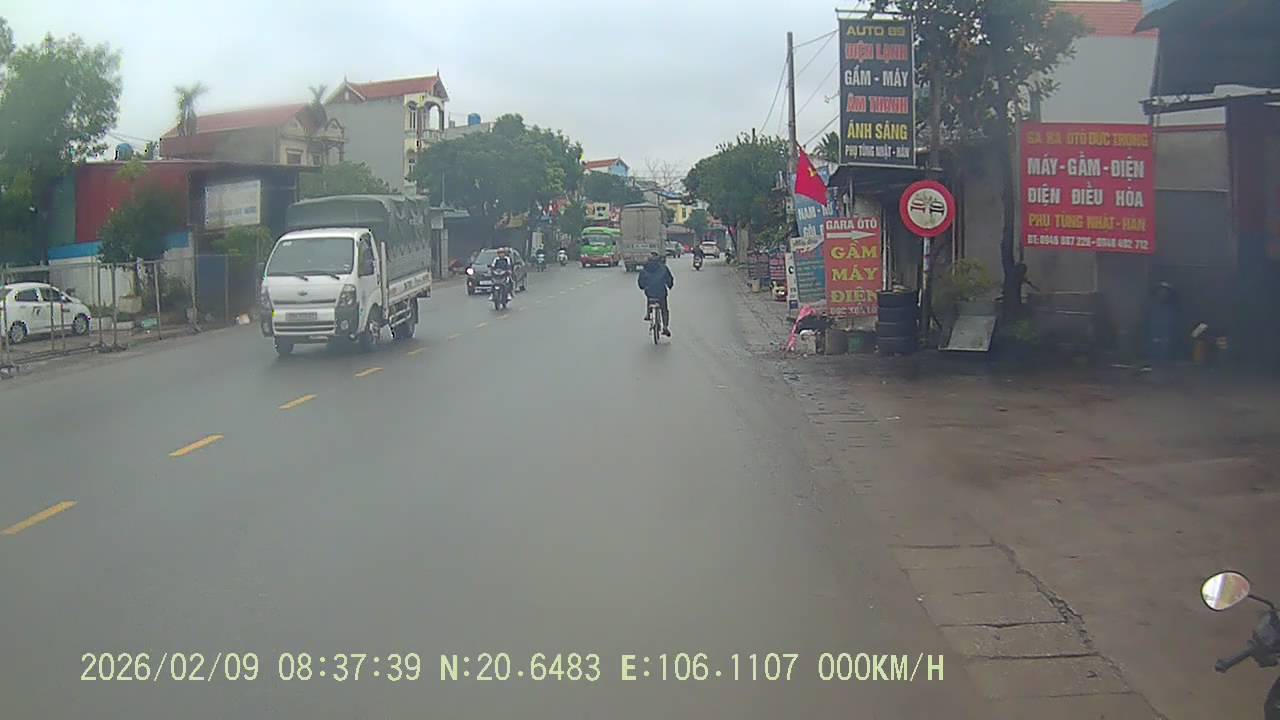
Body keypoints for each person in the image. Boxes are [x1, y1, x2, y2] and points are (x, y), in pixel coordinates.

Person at [638, 252, 674, 336]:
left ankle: (648, 313)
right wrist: (670, 285)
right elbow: (669, 279)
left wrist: (643, 287)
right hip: (661, 293)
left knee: (649, 297)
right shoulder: (663, 268)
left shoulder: (645, 269)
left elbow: (641, 282)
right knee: (664, 309)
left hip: (649, 293)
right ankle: (665, 326)